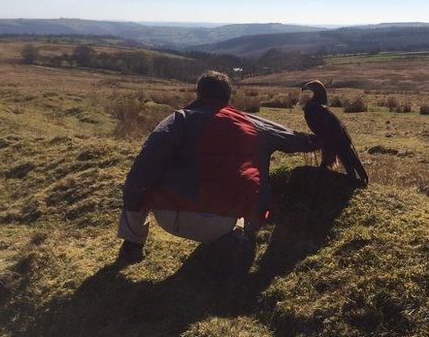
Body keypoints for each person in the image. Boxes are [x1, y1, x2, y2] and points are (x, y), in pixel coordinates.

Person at [117, 71, 320, 277]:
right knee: (253, 183)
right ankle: (241, 236)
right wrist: (326, 138)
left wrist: (133, 201)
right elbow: (295, 140)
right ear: (228, 96)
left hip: (172, 218)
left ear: (198, 94)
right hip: (226, 222)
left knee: (140, 180)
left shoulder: (178, 119)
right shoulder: (252, 123)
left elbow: (141, 172)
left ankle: (132, 245)